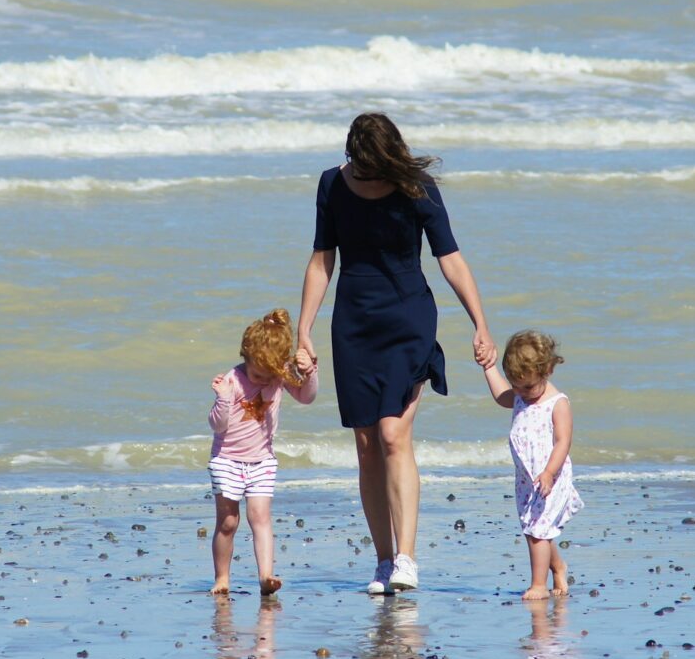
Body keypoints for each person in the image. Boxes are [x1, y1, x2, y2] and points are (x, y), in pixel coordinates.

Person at [298, 112, 495, 595]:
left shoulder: (417, 187)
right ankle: (384, 562)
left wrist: (481, 325)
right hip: (354, 324)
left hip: (407, 318)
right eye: (359, 166)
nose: (365, 175)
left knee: (391, 435)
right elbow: (324, 258)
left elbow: (450, 257)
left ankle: (407, 558)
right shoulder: (331, 185)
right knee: (366, 446)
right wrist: (304, 329)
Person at [208, 308, 318, 596]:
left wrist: (309, 372)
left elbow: (307, 397)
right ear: (246, 356)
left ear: (280, 366)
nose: (260, 380)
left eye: (267, 374)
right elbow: (217, 426)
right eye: (257, 373)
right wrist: (222, 399)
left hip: (262, 461)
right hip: (227, 459)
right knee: (228, 521)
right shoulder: (232, 380)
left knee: (261, 517)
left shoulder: (278, 376)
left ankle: (266, 576)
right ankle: (222, 578)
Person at [482, 329, 583, 600]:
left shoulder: (557, 403)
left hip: (550, 476)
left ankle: (538, 585)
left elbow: (563, 441)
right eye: (516, 385)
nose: (521, 394)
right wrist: (488, 368)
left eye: (527, 387)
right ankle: (558, 566)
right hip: (527, 478)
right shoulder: (519, 394)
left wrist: (550, 473)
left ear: (547, 370)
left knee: (538, 532)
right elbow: (501, 396)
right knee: (533, 530)